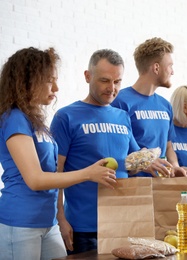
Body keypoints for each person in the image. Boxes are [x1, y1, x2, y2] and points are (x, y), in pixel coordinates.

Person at [0, 47, 116, 260]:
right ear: (27, 81)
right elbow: (35, 179)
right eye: (49, 80)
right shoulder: (14, 119)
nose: (56, 87)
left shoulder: (35, 122)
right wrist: (87, 173)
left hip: (47, 221)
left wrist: (59, 216)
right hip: (21, 222)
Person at [50, 49, 168, 255]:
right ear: (87, 76)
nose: (111, 89)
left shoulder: (122, 116)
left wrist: (151, 163)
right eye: (105, 80)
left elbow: (131, 164)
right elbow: (56, 174)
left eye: (117, 82)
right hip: (82, 227)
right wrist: (60, 219)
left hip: (122, 221)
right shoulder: (66, 117)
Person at [111, 37, 187, 177]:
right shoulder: (119, 102)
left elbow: (168, 145)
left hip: (161, 186)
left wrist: (175, 167)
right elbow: (115, 149)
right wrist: (143, 163)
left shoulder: (165, 106)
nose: (172, 72)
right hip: (132, 188)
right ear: (156, 68)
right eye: (170, 66)